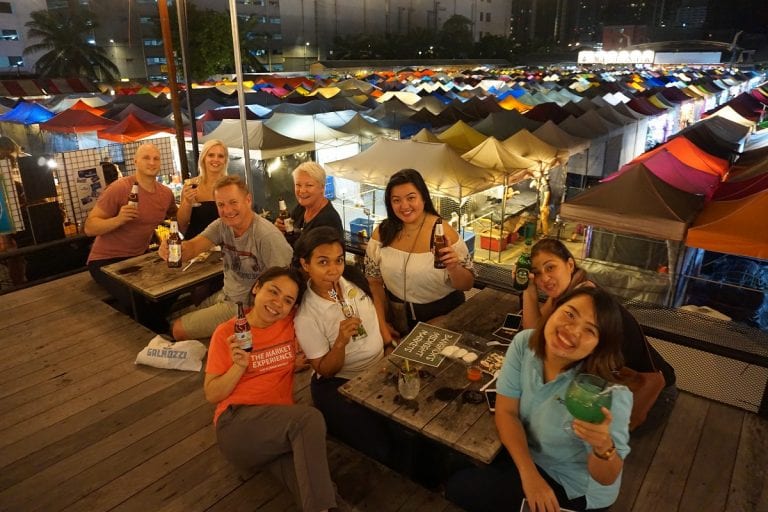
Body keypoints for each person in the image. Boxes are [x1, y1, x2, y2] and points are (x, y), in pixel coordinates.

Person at [446, 287, 633, 512]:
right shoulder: (525, 344)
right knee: (453, 470)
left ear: (599, 346)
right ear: (554, 309)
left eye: (590, 330)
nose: (572, 331)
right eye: (570, 314)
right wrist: (530, 476)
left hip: (573, 487)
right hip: (531, 460)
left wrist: (603, 448)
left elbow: (606, 478)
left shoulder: (607, 395)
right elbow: (506, 412)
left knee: (461, 486)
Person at [204, 266, 341, 512]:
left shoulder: (291, 324)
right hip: (236, 426)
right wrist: (239, 367)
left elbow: (324, 296)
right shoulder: (228, 332)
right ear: (257, 287)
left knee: (322, 491)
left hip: (276, 435)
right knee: (309, 419)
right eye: (273, 292)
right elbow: (212, 394)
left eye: (287, 300)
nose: (278, 303)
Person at [521, 238, 677, 432]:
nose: (544, 278)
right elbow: (532, 334)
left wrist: (618, 431)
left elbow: (656, 381)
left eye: (550, 267)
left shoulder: (588, 302)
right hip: (610, 387)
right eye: (537, 273)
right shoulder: (564, 296)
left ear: (570, 264)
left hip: (652, 397)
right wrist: (528, 291)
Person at [292, 227, 393, 464]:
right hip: (341, 383)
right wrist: (340, 342)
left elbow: (374, 306)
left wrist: (388, 344)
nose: (334, 269)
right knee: (380, 448)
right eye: (323, 262)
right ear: (306, 265)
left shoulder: (353, 279)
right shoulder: (307, 316)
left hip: (381, 366)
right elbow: (325, 370)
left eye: (338, 260)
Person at [160, 175, 293, 340]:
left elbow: (286, 282)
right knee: (169, 318)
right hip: (226, 294)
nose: (227, 210)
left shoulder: (266, 236)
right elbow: (193, 247)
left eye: (233, 202)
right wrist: (171, 249)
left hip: (246, 307)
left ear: (248, 200)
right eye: (221, 204)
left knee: (176, 329)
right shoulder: (222, 225)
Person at [365, 168, 474, 343]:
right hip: (397, 317)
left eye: (411, 198)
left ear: (423, 197)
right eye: (396, 200)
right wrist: (382, 324)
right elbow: (373, 281)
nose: (404, 206)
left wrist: (454, 267)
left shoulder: (443, 233)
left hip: (442, 317)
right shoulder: (382, 233)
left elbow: (467, 284)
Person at [85, 143, 177, 322]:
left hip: (139, 257)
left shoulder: (165, 194)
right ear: (135, 161)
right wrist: (118, 219)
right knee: (137, 300)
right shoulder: (120, 188)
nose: (151, 162)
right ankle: (160, 334)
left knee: (172, 288)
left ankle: (160, 332)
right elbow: (89, 227)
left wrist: (191, 201)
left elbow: (174, 216)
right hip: (105, 261)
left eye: (156, 158)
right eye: (146, 158)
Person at [275, 161, 343, 245]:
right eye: (298, 185)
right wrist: (280, 231)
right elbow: (290, 235)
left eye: (309, 185)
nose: (302, 191)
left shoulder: (328, 221)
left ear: (322, 187)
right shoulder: (301, 208)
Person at [177, 139, 228, 239]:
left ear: (225, 160)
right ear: (203, 158)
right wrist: (187, 202)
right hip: (196, 247)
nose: (216, 159)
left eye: (220, 156)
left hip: (225, 245)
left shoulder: (231, 186)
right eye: (211, 155)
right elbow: (181, 226)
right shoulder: (191, 185)